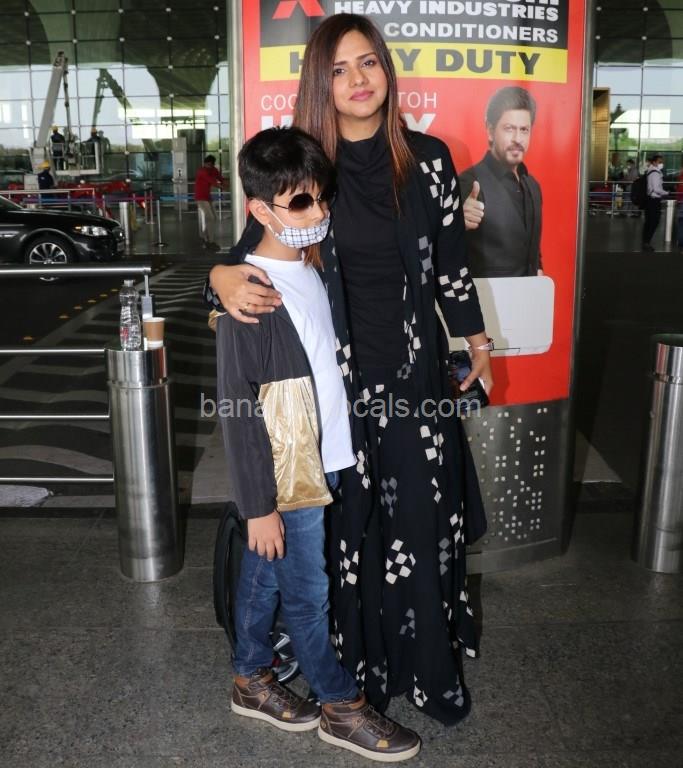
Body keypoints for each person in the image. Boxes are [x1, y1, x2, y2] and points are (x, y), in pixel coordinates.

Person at [205, 13, 493, 726]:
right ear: (319, 83)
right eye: (338, 69)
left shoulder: (428, 159)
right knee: (349, 534)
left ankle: (427, 672)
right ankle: (355, 675)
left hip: (415, 379)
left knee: (420, 526)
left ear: (385, 70)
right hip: (333, 388)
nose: (358, 79)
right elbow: (250, 249)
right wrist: (218, 278)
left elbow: (450, 265)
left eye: (368, 62)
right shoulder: (310, 169)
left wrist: (476, 340)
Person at [217, 125, 420, 762]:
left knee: (266, 574)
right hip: (289, 473)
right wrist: (258, 505)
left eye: (321, 197)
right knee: (308, 594)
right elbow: (238, 412)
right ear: (260, 210)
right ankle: (340, 707)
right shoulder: (250, 294)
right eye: (300, 202)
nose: (317, 212)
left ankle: (250, 677)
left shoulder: (313, 263)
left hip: (326, 455)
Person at [460, 86, 543, 277]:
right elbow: (444, 246)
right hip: (486, 294)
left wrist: (538, 270)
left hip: (530, 293)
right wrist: (457, 221)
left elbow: (532, 249)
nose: (517, 139)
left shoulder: (533, 186)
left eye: (524, 130)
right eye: (509, 129)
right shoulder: (469, 182)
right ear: (490, 131)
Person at [195, 154, 224, 251]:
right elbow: (212, 181)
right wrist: (222, 186)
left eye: (210, 164)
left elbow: (219, 177)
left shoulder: (213, 169)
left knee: (214, 218)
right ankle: (210, 240)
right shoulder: (202, 171)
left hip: (208, 198)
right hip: (201, 198)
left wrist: (224, 182)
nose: (208, 166)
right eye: (207, 164)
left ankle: (204, 236)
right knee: (211, 218)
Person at [642, 153, 666, 251]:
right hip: (654, 200)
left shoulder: (650, 171)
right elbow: (656, 189)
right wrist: (666, 192)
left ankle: (645, 241)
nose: (661, 164)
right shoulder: (655, 173)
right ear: (654, 162)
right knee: (654, 221)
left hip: (649, 199)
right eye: (660, 162)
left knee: (649, 221)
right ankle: (647, 242)